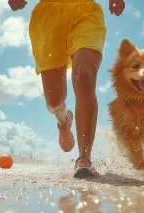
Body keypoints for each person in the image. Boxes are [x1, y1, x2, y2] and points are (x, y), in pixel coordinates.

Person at [8, 0, 125, 178]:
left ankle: (84, 158)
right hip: (48, 15)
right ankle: (64, 122)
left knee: (84, 75)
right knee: (54, 101)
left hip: (86, 12)